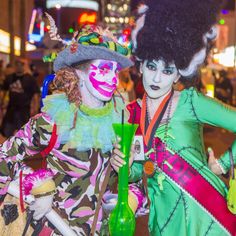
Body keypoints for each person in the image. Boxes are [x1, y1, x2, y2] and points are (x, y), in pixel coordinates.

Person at [111, 0, 236, 235]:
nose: (157, 78)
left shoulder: (191, 101)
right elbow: (141, 169)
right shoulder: (130, 113)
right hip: (164, 220)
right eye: (151, 67)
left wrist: (224, 163)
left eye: (167, 70)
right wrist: (124, 166)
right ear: (140, 67)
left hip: (206, 218)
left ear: (180, 72)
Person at [0, 24, 136, 235]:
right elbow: (3, 158)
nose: (112, 79)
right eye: (103, 69)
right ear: (80, 73)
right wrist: (39, 188)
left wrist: (126, 190)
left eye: (115, 71)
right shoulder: (54, 120)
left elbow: (140, 183)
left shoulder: (120, 122)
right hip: (56, 229)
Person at [0, 59, 40, 137]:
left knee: (24, 134)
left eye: (21, 64)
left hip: (24, 111)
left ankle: (20, 147)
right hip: (11, 110)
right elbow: (4, 91)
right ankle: (9, 147)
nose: (18, 66)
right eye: (17, 64)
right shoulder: (10, 78)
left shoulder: (30, 79)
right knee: (6, 132)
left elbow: (36, 95)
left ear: (24, 66)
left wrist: (35, 109)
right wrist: (1, 102)